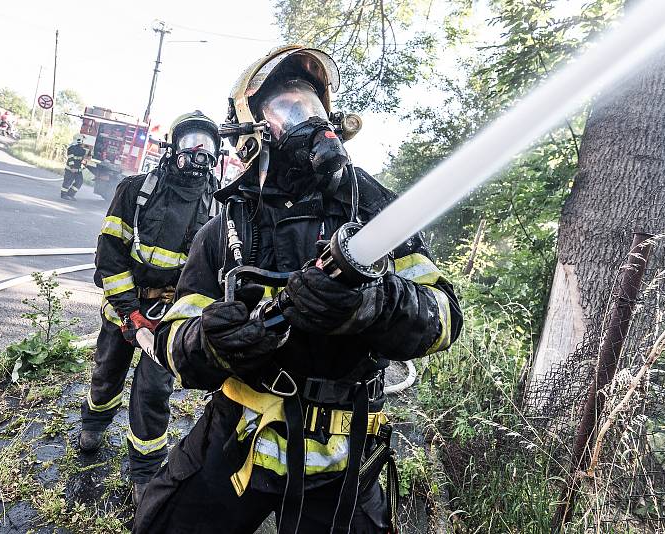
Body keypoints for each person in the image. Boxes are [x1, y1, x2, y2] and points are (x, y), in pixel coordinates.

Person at [134, 46, 462, 534]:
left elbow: (444, 318)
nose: (308, 119)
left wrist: (373, 303)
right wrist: (210, 340)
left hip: (345, 449)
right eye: (287, 108)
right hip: (240, 433)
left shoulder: (374, 210)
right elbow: (175, 339)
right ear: (251, 133)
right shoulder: (226, 226)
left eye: (312, 106)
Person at [79, 111, 221, 506]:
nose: (199, 153)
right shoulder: (135, 190)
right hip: (124, 309)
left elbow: (211, 276)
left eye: (207, 146)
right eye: (191, 142)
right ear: (172, 147)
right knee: (107, 371)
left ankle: (144, 469)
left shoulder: (218, 211)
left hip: (168, 319)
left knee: (154, 392)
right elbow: (109, 256)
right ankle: (94, 422)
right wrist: (128, 312)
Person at [60, 135, 88, 200]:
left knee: (79, 181)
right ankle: (63, 195)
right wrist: (72, 168)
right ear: (79, 140)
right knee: (68, 181)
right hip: (70, 169)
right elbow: (70, 159)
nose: (84, 143)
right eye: (83, 141)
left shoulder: (82, 150)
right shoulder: (71, 148)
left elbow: (83, 159)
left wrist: (84, 164)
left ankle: (70, 194)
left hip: (77, 170)